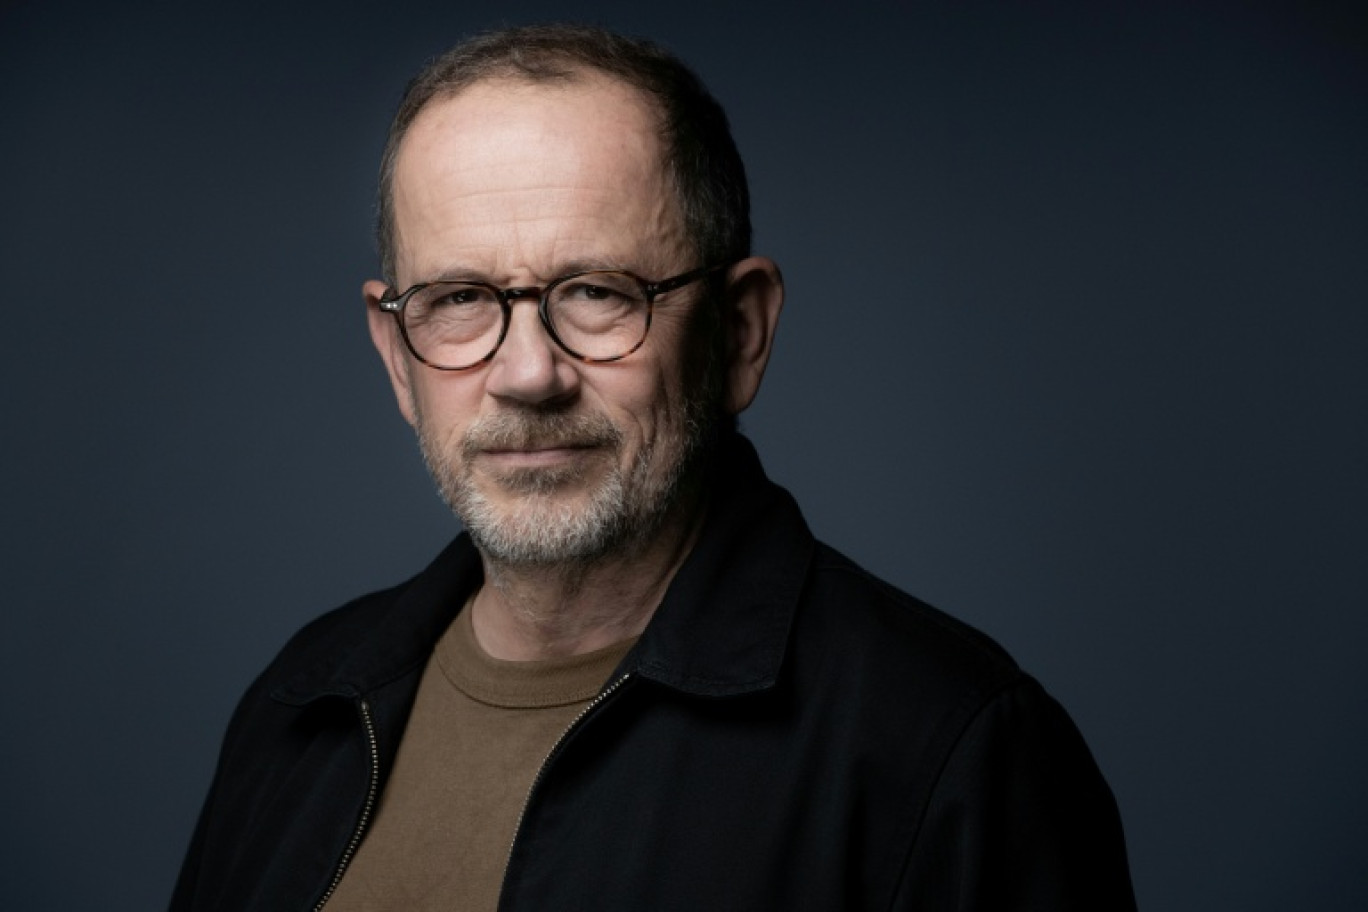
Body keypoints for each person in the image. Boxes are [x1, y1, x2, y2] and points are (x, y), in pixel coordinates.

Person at [170, 24, 1136, 912]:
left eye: (597, 291)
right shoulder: (299, 707)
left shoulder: (955, 754)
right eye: (460, 298)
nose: (527, 374)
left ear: (741, 333)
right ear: (398, 359)